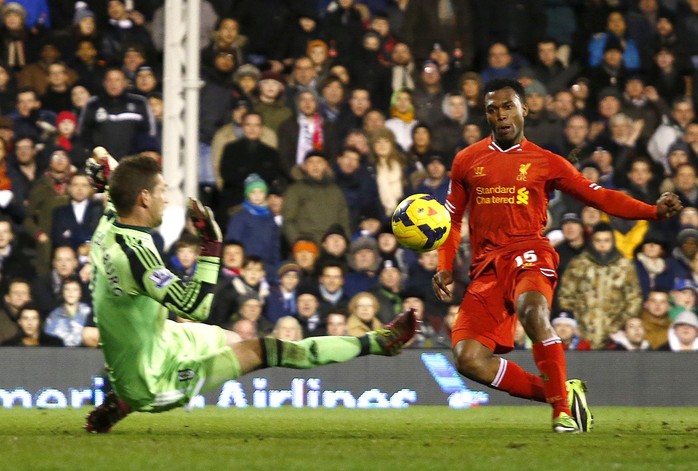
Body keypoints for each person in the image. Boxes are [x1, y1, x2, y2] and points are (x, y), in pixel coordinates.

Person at [83, 149, 417, 433]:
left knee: (236, 341)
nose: (165, 199)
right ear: (143, 197)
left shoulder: (112, 220)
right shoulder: (133, 257)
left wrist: (103, 165)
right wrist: (211, 245)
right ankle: (378, 342)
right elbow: (193, 306)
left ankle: (120, 399)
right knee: (265, 350)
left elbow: (106, 165)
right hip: (153, 377)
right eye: (161, 192)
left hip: (164, 337)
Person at [432, 78, 682, 433]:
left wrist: (652, 211)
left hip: (529, 253)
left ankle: (561, 415)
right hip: (487, 267)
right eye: (492, 109)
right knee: (468, 359)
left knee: (532, 310)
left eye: (508, 107)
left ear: (524, 110)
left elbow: (599, 197)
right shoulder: (467, 160)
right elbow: (452, 219)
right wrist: (445, 266)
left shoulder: (546, 161)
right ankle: (562, 392)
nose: (500, 115)